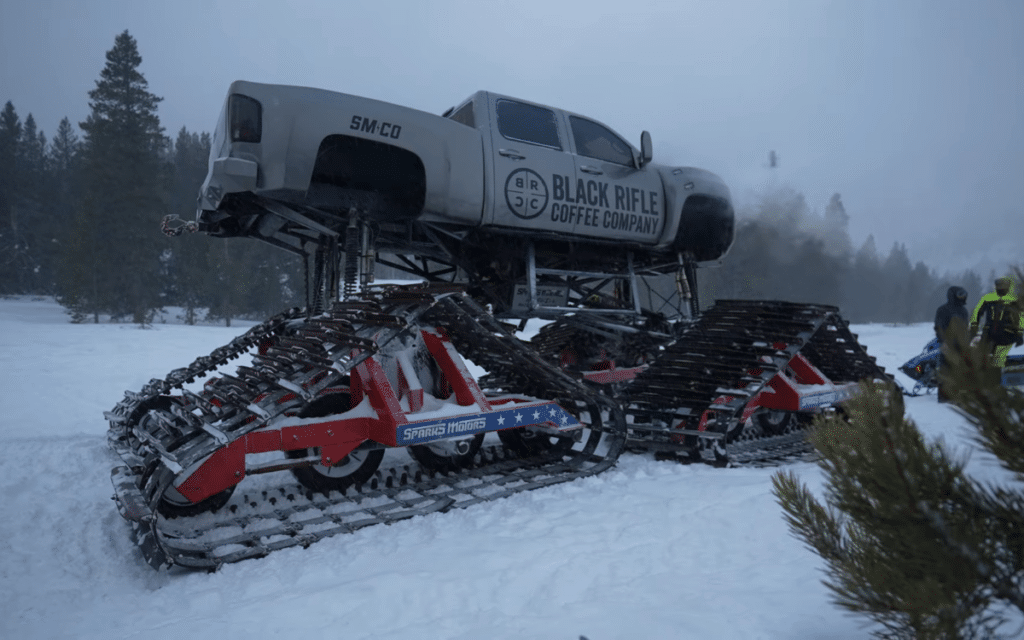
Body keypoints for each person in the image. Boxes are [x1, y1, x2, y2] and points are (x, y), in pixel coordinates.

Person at [970, 276, 1024, 371]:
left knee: (998, 358)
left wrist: (1020, 332)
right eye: (998, 285)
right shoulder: (988, 298)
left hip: (1006, 334)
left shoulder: (1013, 299)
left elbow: (1021, 316)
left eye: (1002, 285)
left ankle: (997, 376)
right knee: (981, 356)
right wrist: (974, 326)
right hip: (991, 333)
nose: (1000, 287)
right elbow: (977, 312)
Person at [933, 286, 969, 402]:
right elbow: (939, 328)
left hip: (961, 345)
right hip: (947, 344)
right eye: (960, 294)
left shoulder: (964, 311)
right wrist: (943, 342)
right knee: (945, 370)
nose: (962, 297)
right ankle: (944, 396)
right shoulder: (943, 310)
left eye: (964, 295)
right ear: (952, 295)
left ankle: (958, 394)